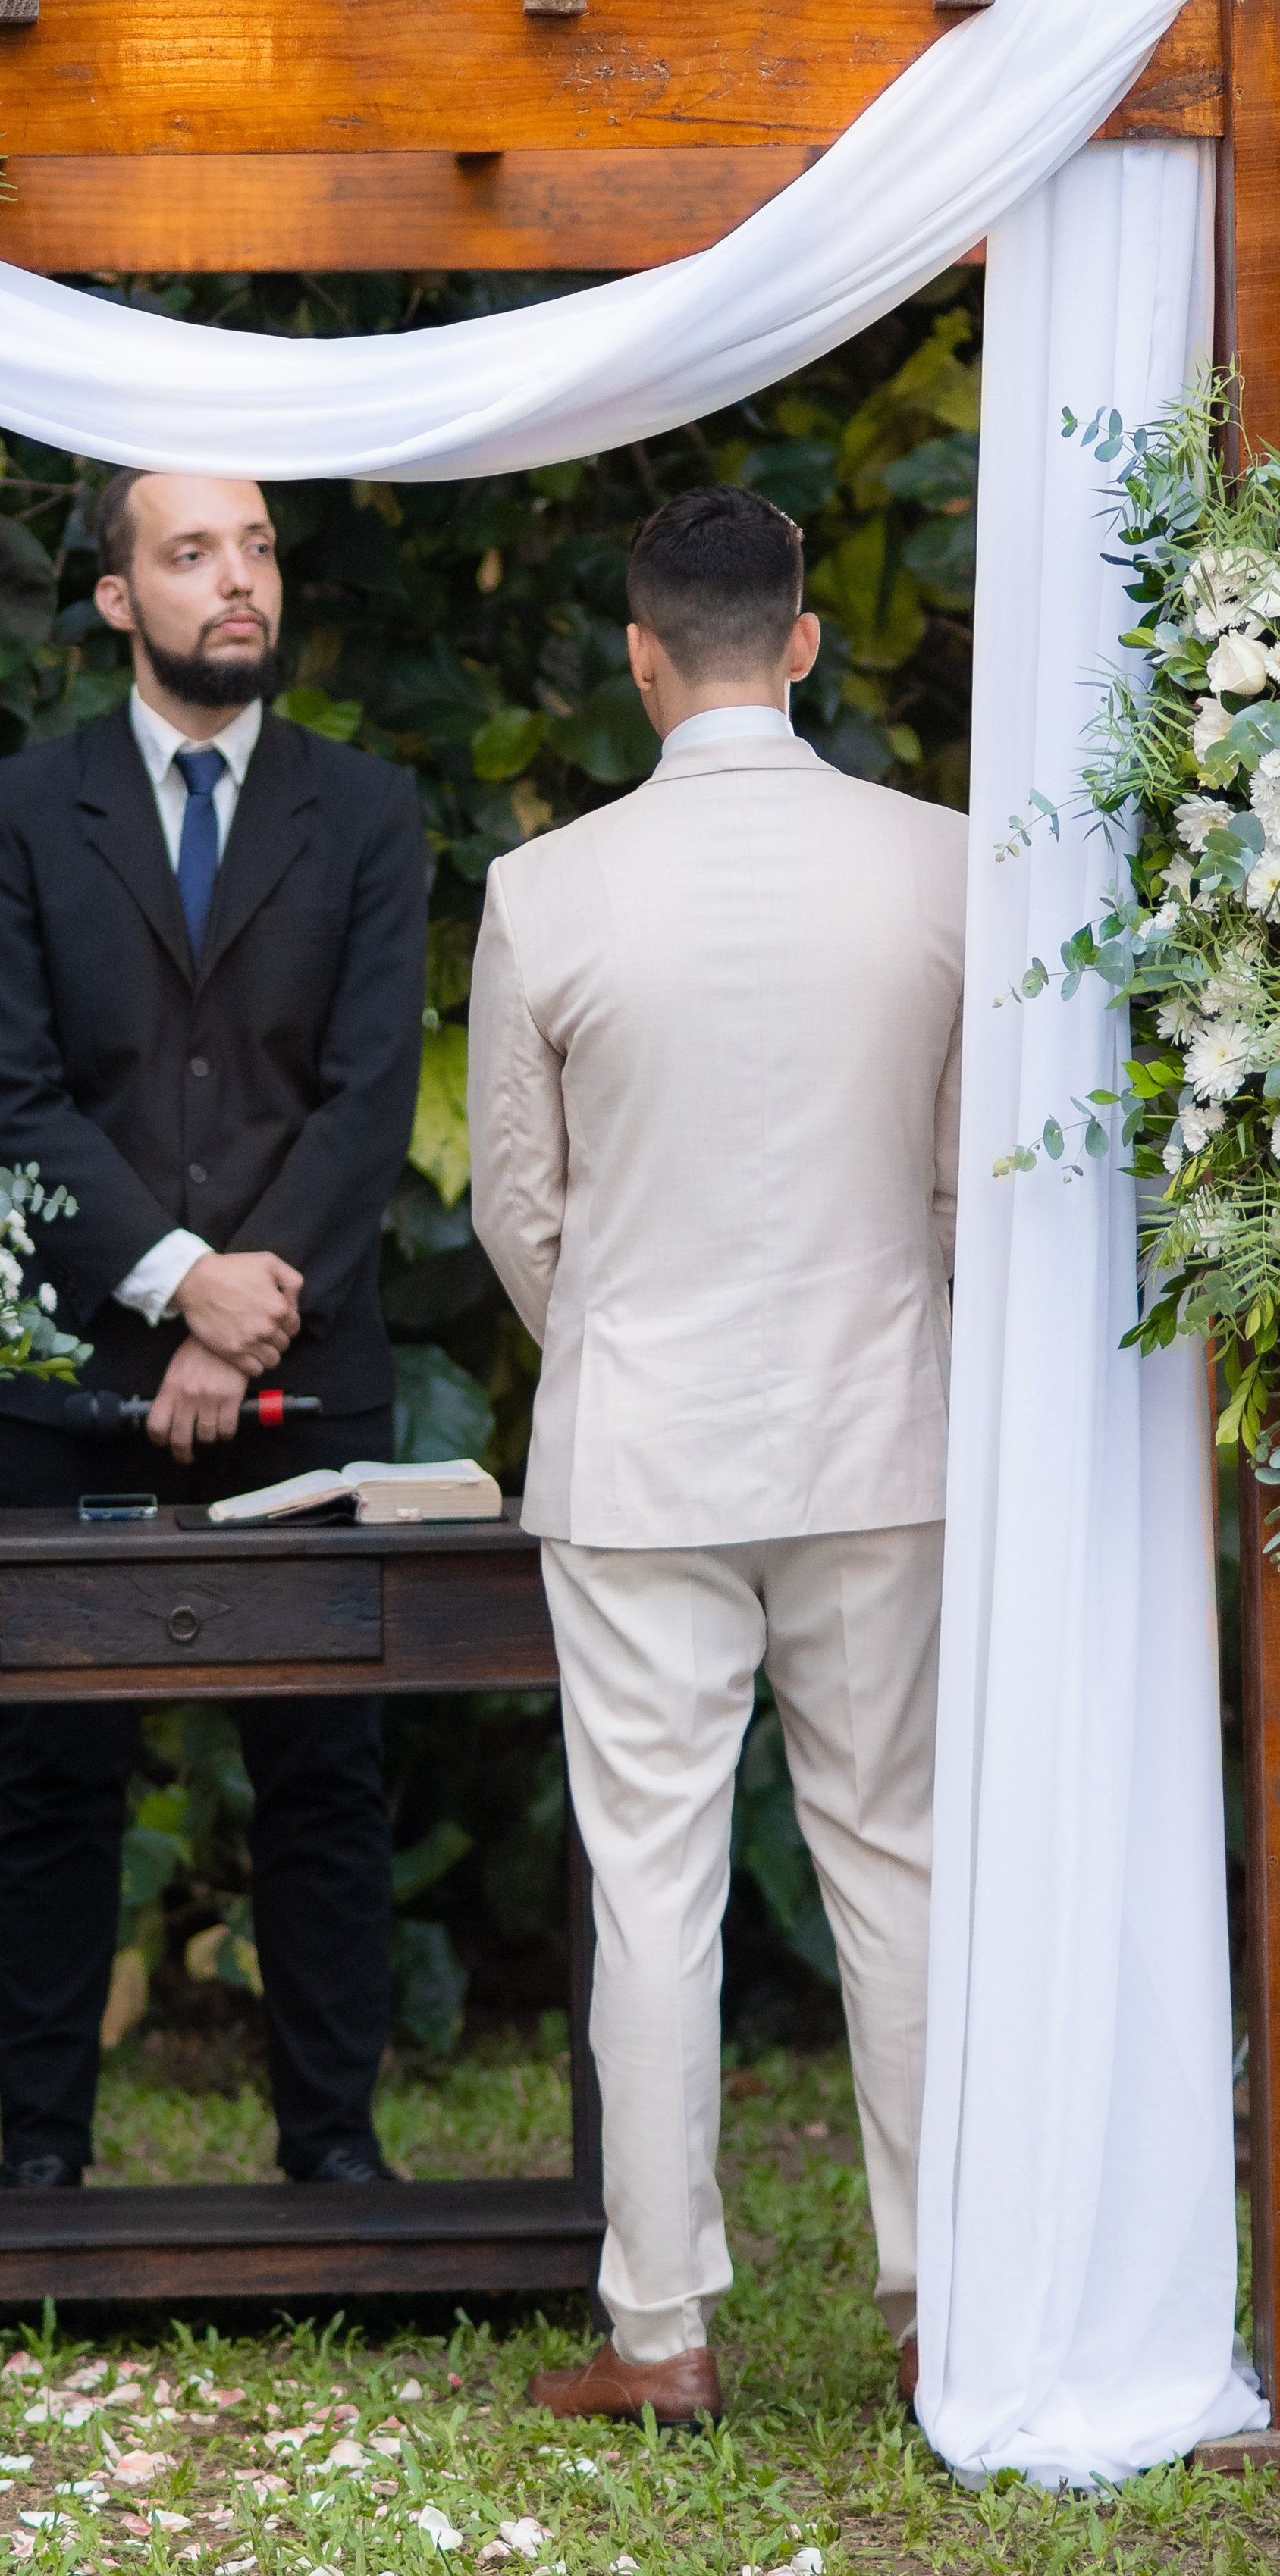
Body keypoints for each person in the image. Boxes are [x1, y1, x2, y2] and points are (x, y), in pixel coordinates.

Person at [469, 485, 964, 2422]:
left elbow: (521, 1211)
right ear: (809, 645)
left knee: (651, 1881)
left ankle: (658, 2338)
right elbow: (954, 1186)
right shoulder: (934, 867)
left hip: (641, 1449)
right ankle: (938, 2305)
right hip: (877, 1431)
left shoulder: (548, 889)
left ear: (638, 657)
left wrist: (605, 1341)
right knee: (895, 1863)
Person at [0, 467, 428, 2190]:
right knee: (54, 1774)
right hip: (76, 1381)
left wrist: (241, 1328)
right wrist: (171, 1287)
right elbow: (7, 1096)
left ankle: (335, 2160)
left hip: (312, 1388)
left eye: (256, 547)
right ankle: (38, 2167)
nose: (238, 580)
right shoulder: (16, 811)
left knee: (321, 1772)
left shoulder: (368, 813)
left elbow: (368, 1104)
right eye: (190, 552)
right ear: (112, 599)